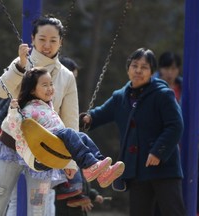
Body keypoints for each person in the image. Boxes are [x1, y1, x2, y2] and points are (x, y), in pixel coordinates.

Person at [0, 15, 79, 216]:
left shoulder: (66, 76)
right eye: (42, 39)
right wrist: (19, 66)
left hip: (43, 152)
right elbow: (0, 91)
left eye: (53, 40)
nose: (47, 45)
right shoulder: (22, 63)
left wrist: (71, 160)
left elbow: (70, 119)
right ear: (32, 39)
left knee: (38, 208)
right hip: (12, 144)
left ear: (61, 42)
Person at [80, 48, 186, 216]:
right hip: (136, 169)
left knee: (173, 211)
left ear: (152, 72)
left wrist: (158, 151)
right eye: (134, 65)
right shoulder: (120, 97)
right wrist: (88, 119)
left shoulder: (163, 94)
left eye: (144, 67)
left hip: (164, 168)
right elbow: (100, 114)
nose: (138, 70)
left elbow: (176, 125)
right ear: (128, 68)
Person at [5, 67, 124, 187]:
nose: (50, 88)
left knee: (82, 136)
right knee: (68, 133)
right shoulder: (28, 109)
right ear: (31, 90)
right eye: (45, 85)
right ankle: (89, 167)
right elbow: (17, 131)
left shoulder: (46, 107)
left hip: (54, 149)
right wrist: (14, 111)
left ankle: (102, 170)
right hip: (38, 154)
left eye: (51, 84)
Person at [55, 56, 105, 216]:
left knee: (82, 147)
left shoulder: (69, 103)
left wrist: (88, 193)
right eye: (70, 77)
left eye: (74, 79)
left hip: (73, 180)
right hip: (59, 183)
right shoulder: (51, 99)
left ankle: (99, 166)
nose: (72, 83)